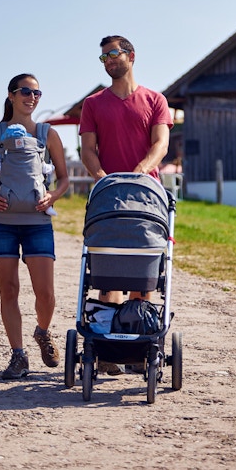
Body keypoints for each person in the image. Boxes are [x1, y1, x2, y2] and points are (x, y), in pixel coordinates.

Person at [79, 35, 173, 374]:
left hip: (147, 199)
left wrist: (138, 173)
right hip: (109, 200)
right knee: (107, 277)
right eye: (103, 56)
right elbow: (87, 149)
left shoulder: (154, 100)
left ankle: (137, 345)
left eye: (114, 54)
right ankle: (107, 350)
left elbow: (160, 144)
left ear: (131, 56)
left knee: (142, 276)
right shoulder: (93, 104)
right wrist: (104, 177)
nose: (108, 60)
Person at [0, 73, 69, 380]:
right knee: (9, 290)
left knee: (46, 293)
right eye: (25, 92)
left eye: (37, 93)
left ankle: (42, 332)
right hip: (1, 223)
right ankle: (18, 356)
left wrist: (52, 196)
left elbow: (64, 178)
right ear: (11, 96)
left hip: (38, 222)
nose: (32, 97)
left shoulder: (48, 134)